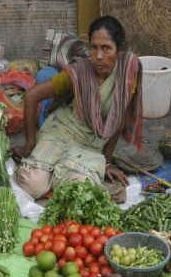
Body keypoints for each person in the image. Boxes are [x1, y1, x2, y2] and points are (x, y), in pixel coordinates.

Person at [14, 16, 143, 201]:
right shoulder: (78, 72)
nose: (98, 56)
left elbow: (118, 118)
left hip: (91, 144)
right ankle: (51, 175)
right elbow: (32, 96)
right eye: (94, 47)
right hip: (62, 131)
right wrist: (29, 142)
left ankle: (57, 178)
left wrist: (107, 162)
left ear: (119, 50)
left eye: (106, 48)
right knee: (31, 184)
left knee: (79, 188)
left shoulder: (127, 73)